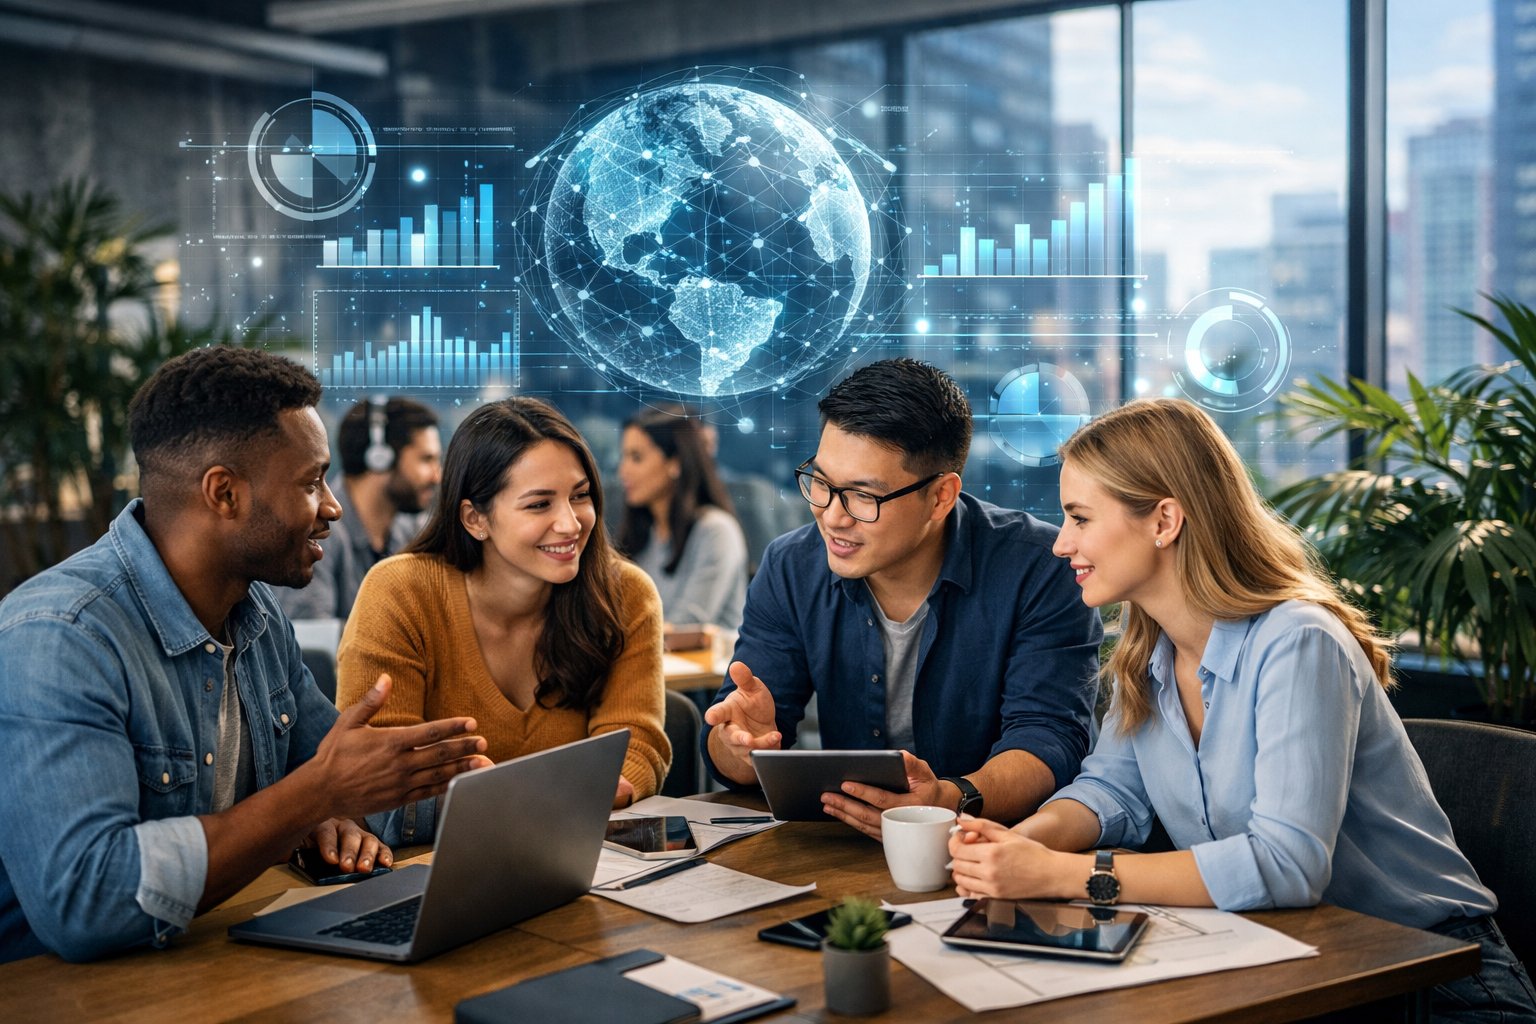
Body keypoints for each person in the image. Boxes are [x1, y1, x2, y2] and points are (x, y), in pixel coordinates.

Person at [947, 398, 1536, 1022]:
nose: (1061, 543)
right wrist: (1014, 846)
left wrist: (1063, 876)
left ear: (1164, 520)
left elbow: (1287, 865)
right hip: (1292, 958)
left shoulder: (1299, 642)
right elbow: (1110, 789)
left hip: (1431, 975)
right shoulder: (1146, 653)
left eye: (1080, 518)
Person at [0, 347, 490, 964]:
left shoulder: (257, 617)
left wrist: (492, 804)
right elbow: (86, 901)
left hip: (209, 964)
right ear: (223, 493)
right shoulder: (60, 638)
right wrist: (306, 803)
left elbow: (351, 782)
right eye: (311, 483)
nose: (333, 507)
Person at [702, 358, 1102, 839]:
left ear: (940, 496)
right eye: (822, 484)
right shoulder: (791, 567)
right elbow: (738, 748)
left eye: (862, 496)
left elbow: (1050, 738)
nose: (832, 516)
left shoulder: (1039, 567)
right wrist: (740, 745)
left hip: (996, 844)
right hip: (844, 845)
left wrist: (947, 799)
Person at [335, 397, 670, 843]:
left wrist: (505, 795)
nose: (570, 524)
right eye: (539, 505)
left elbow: (634, 748)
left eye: (580, 496)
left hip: (576, 855)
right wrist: (546, 797)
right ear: (475, 519)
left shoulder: (626, 595)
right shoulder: (400, 592)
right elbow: (379, 777)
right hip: (426, 864)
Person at [277, 396, 441, 622]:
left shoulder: (412, 532)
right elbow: (314, 644)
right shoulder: (318, 535)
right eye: (426, 460)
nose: (437, 475)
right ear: (380, 457)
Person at [617, 405, 748, 631]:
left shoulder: (716, 530)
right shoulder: (644, 535)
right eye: (624, 457)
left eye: (636, 458)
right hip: (657, 663)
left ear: (675, 462)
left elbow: (688, 623)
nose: (623, 471)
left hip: (708, 665)